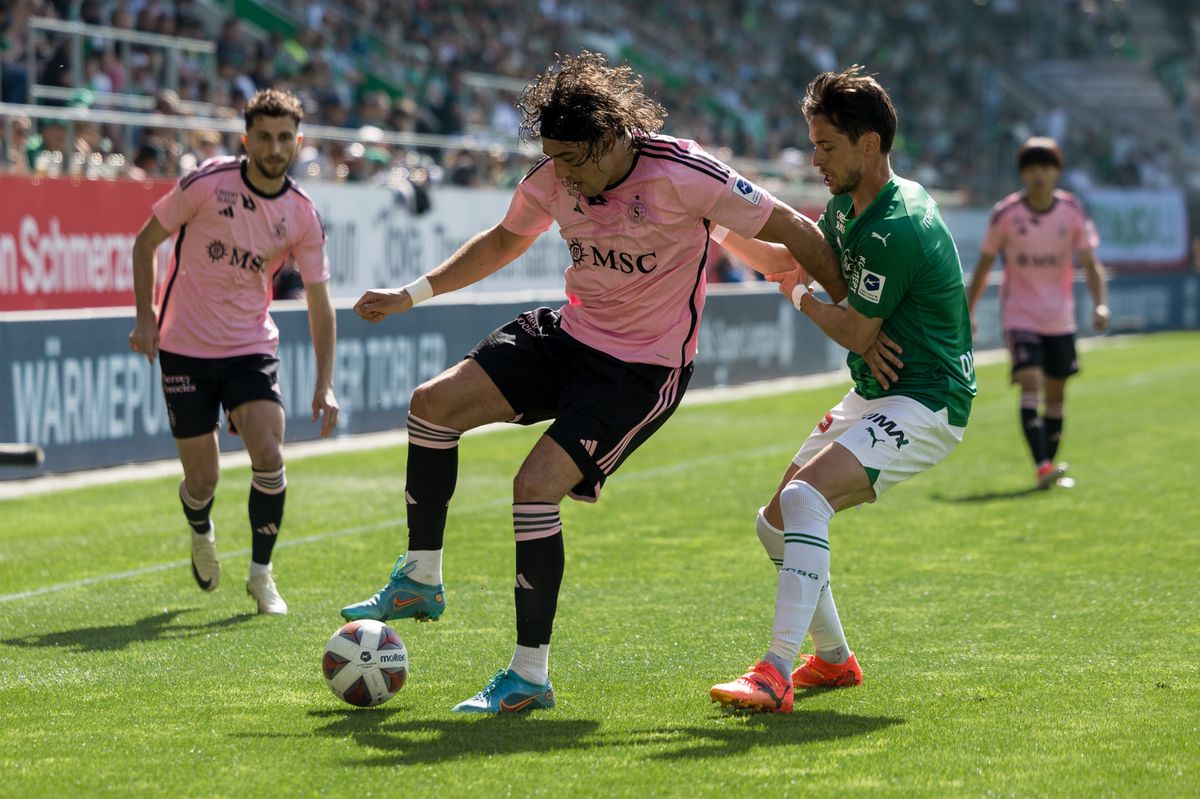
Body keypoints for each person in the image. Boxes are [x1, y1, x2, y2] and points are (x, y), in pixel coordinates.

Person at [339, 51, 849, 714]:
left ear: (610, 139)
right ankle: (420, 577)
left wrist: (846, 306)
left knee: (533, 487)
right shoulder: (556, 176)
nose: (565, 177)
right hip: (572, 335)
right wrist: (412, 294)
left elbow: (793, 229)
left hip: (641, 371)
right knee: (431, 405)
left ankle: (528, 675)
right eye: (553, 158)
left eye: (573, 160)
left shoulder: (684, 172)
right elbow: (502, 241)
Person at [709, 66, 976, 713]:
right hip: (878, 390)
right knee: (774, 522)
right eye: (814, 143)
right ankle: (832, 660)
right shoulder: (846, 210)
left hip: (928, 399)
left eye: (827, 145)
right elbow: (786, 260)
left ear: (870, 145)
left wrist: (799, 295)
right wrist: (713, 227)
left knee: (805, 499)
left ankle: (774, 670)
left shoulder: (898, 224)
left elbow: (855, 328)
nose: (815, 159)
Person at [128, 88, 339, 615]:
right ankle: (200, 526)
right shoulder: (206, 183)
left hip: (250, 346)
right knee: (203, 481)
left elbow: (320, 302)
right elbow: (144, 242)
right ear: (247, 140)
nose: (274, 147)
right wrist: (145, 317)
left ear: (298, 142)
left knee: (268, 455)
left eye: (285, 138)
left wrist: (324, 382)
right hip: (185, 348)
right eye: (264, 137)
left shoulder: (302, 214)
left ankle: (261, 575)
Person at [967, 136, 1108, 490]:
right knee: (1031, 382)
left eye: (1046, 167)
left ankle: (1048, 465)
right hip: (1020, 316)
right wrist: (967, 311)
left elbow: (1091, 264)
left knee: (1056, 395)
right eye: (1031, 168)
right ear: (1022, 174)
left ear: (1057, 171)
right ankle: (1043, 465)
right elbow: (984, 266)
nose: (1039, 175)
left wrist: (1100, 302)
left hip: (1060, 318)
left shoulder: (1072, 212)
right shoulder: (1006, 214)